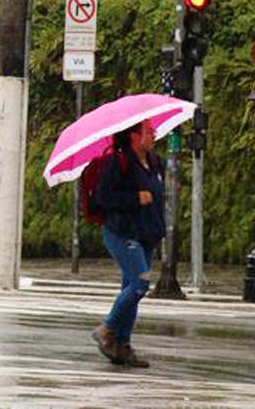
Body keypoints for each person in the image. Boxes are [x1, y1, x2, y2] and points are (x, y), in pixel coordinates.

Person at [92, 120, 163, 369]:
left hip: (146, 236)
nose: (154, 134)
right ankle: (107, 329)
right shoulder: (118, 162)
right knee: (140, 284)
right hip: (122, 234)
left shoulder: (154, 162)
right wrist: (135, 197)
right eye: (148, 130)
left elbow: (157, 199)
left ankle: (122, 346)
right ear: (134, 135)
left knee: (131, 290)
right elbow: (103, 197)